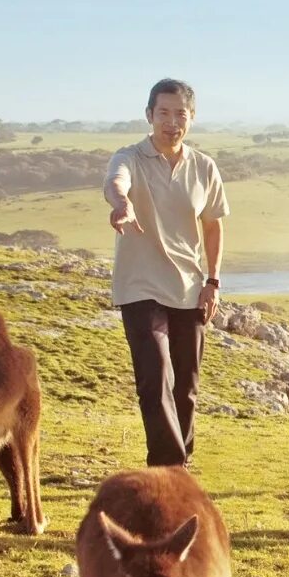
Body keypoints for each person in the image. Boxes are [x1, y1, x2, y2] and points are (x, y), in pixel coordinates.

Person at [101, 78, 227, 469]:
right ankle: (168, 469)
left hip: (189, 288)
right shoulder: (130, 157)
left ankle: (180, 463)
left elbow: (213, 226)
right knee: (154, 381)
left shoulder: (204, 167)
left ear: (191, 118)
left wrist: (213, 281)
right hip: (139, 286)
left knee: (185, 387)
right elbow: (114, 181)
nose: (172, 122)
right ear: (149, 116)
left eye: (180, 114)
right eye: (164, 113)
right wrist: (122, 203)